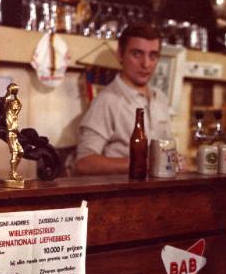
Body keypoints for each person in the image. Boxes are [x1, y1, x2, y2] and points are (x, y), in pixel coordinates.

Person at [74, 22, 172, 175]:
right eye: (137, 54)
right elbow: (84, 162)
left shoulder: (160, 98)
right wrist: (141, 163)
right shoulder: (107, 100)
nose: (146, 64)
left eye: (152, 56)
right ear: (120, 54)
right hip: (123, 193)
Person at [3, 83, 24, 181]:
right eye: (14, 104)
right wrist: (10, 91)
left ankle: (14, 171)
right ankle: (13, 174)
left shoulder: (15, 114)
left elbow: (20, 104)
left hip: (15, 134)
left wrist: (16, 95)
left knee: (21, 152)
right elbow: (5, 100)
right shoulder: (8, 110)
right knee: (15, 152)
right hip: (10, 133)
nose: (16, 106)